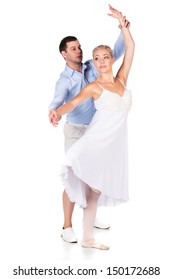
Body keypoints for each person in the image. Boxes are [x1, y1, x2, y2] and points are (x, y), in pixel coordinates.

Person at [54, 7, 135, 250]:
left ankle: (88, 233)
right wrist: (55, 112)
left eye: (105, 57)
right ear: (64, 53)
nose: (100, 61)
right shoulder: (90, 85)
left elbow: (129, 49)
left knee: (95, 188)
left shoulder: (121, 79)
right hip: (86, 137)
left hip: (110, 143)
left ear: (111, 59)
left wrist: (123, 26)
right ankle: (70, 227)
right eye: (96, 58)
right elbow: (69, 101)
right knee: (79, 179)